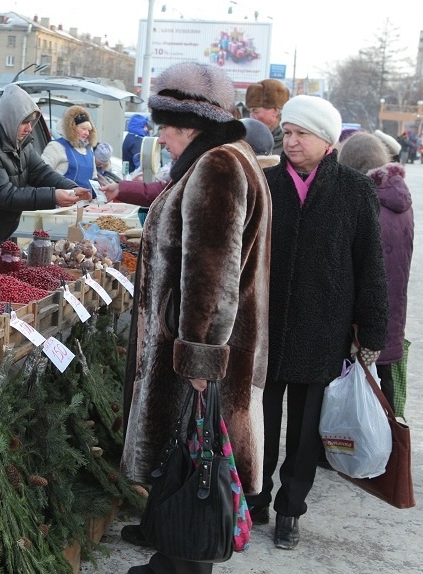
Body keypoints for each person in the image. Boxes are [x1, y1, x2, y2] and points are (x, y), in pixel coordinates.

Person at [120, 61, 272, 574]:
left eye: (164, 125)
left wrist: (200, 360)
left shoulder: (219, 166)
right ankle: (169, 543)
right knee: (189, 451)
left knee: (195, 452)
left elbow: (212, 273)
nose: (159, 136)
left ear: (190, 123)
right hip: (198, 342)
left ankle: (183, 560)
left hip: (195, 349)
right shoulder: (229, 158)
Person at [247, 95, 388, 550]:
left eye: (300, 134)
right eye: (286, 133)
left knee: (307, 430)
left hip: (323, 328)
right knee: (261, 423)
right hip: (266, 327)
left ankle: (291, 507)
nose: (290, 142)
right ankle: (257, 498)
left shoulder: (354, 189)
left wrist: (371, 331)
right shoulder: (264, 184)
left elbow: (371, 265)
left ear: (326, 140)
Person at [0, 83, 90, 251]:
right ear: (11, 119)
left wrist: (70, 188)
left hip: (1, 234)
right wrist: (53, 196)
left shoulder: (20, 142)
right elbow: (6, 196)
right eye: (24, 122)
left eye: (32, 122)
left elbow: (41, 173)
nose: (29, 128)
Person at [339, 132, 414, 409]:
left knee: (361, 394)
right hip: (393, 311)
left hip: (367, 318)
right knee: (384, 389)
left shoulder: (367, 203)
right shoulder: (399, 198)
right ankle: (390, 444)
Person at [41, 105, 99, 192]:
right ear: (72, 128)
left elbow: (94, 178)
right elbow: (42, 175)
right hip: (63, 203)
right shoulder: (56, 147)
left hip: (86, 203)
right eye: (83, 129)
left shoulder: (89, 150)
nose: (87, 133)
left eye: (88, 130)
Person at [245, 78, 290, 155]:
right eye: (250, 112)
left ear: (275, 111)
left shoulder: (290, 143)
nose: (251, 117)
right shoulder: (247, 139)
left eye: (255, 111)